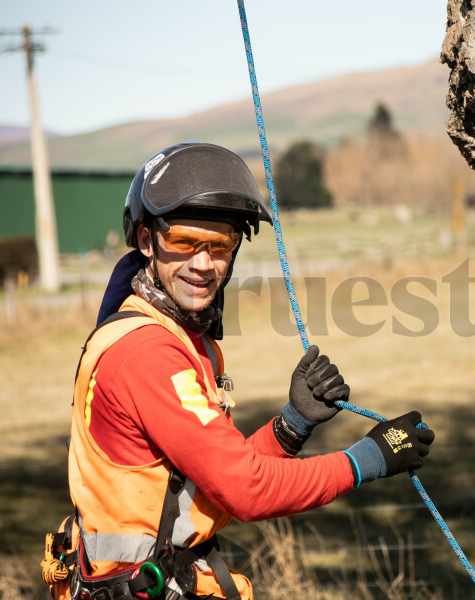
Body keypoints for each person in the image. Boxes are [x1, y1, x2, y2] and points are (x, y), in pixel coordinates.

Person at [41, 143, 435, 600]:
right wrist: (368, 459)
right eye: (185, 241)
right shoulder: (146, 352)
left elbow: (209, 476)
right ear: (147, 239)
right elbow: (245, 490)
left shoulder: (181, 334)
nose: (204, 264)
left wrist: (292, 426)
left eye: (221, 245)